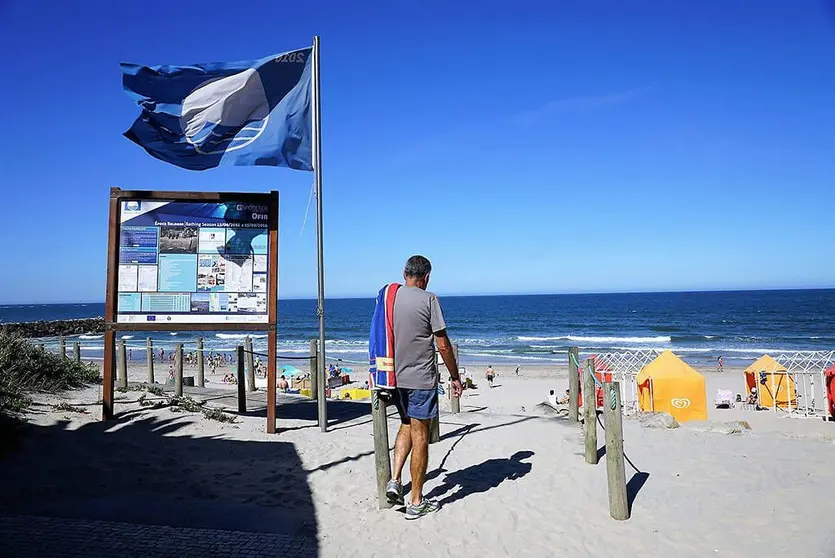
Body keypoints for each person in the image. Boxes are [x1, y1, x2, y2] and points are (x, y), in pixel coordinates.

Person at [385, 255, 462, 520]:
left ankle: (395, 480)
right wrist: (455, 376)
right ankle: (416, 501)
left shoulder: (390, 298)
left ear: (404, 273)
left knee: (406, 424)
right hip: (420, 379)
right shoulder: (429, 299)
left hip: (394, 377)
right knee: (421, 436)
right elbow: (442, 344)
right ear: (426, 276)